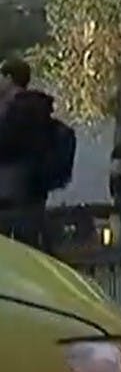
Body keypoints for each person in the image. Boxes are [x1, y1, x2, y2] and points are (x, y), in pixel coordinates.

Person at [0, 57, 55, 248]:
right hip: (30, 188)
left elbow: (7, 143)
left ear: (8, 78)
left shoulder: (18, 109)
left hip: (12, 189)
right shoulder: (36, 108)